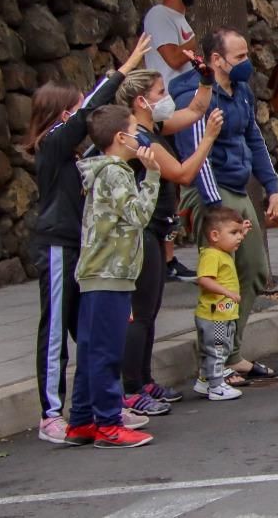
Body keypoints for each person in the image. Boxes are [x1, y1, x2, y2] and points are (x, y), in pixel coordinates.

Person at [26, 37, 148, 444]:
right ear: (64, 115)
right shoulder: (52, 145)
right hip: (58, 245)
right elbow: (87, 116)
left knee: (92, 332)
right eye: (78, 109)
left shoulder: (77, 155)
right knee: (57, 328)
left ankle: (101, 408)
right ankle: (50, 413)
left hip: (82, 251)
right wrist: (123, 68)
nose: (86, 116)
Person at [171, 29, 278, 381]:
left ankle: (231, 354)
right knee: (219, 276)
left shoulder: (242, 92)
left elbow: (253, 137)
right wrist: (215, 208)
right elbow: (196, 153)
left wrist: (273, 188)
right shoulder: (194, 95)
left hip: (236, 188)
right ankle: (214, 362)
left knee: (252, 271)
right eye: (239, 57)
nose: (247, 63)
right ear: (215, 60)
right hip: (210, 190)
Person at [115, 70, 222, 416]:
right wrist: (207, 139)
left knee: (151, 309)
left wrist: (206, 77)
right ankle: (131, 387)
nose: (166, 96)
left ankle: (144, 379)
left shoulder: (154, 129)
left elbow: (193, 109)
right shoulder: (141, 140)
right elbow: (182, 173)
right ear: (141, 102)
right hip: (141, 231)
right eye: (161, 91)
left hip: (157, 230)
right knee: (141, 313)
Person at [65, 105, 161, 448]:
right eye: (135, 130)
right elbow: (138, 215)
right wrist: (151, 175)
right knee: (106, 352)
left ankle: (81, 421)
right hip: (111, 273)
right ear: (121, 137)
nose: (140, 136)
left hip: (97, 272)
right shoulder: (117, 172)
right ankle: (107, 422)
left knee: (92, 350)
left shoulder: (100, 172)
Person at [140, 0, 200, 282]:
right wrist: (197, 37)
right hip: (163, 111)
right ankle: (164, 258)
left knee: (176, 187)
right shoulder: (159, 16)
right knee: (170, 183)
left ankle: (169, 256)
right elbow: (174, 59)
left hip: (180, 108)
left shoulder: (181, 20)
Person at [193, 208, 247, 403]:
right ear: (214, 235)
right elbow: (204, 279)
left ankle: (206, 380)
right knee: (217, 349)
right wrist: (227, 293)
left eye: (240, 232)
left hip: (223, 314)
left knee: (220, 348)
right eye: (234, 233)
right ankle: (216, 386)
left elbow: (231, 238)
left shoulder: (222, 252)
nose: (239, 237)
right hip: (214, 315)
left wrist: (240, 230)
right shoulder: (212, 255)